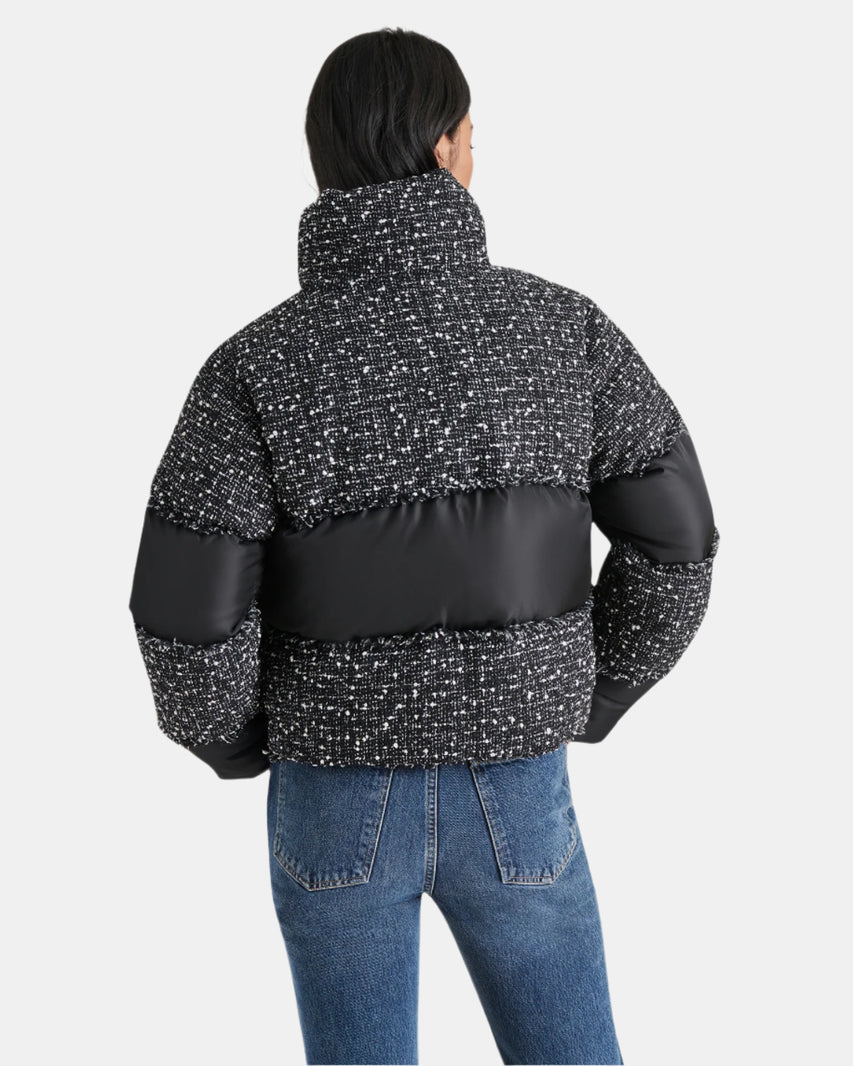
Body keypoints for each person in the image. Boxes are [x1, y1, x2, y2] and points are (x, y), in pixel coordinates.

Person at [129, 26, 720, 1066]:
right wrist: (584, 692)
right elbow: (676, 546)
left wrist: (242, 739)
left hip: (331, 786)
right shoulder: (562, 330)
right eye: (474, 135)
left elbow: (187, 616)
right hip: (517, 778)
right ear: (445, 147)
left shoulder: (253, 367)